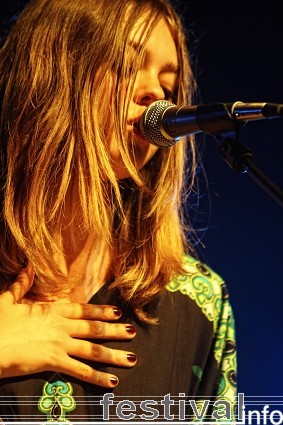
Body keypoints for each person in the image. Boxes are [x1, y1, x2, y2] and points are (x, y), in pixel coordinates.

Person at [0, 0, 237, 421]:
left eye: (169, 82)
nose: (157, 94)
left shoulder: (198, 302)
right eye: (128, 66)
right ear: (50, 73)